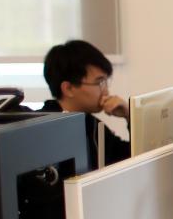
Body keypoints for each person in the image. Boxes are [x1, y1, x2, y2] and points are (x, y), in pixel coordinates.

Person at [42, 39, 131, 169]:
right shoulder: (42, 131)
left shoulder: (92, 125)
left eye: (106, 81)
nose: (106, 91)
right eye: (99, 82)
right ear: (68, 88)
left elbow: (130, 157)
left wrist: (129, 115)